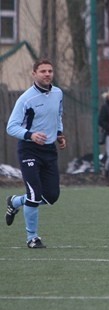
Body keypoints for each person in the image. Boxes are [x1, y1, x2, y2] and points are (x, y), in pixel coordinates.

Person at [5, 58, 67, 248]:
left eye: (50, 71)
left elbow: (57, 115)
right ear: (34, 74)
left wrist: (58, 134)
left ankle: (15, 202)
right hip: (29, 150)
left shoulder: (58, 93)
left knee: (51, 196)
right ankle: (32, 238)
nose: (47, 74)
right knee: (34, 193)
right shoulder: (26, 99)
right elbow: (11, 127)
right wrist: (30, 135)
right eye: (43, 71)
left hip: (49, 150)